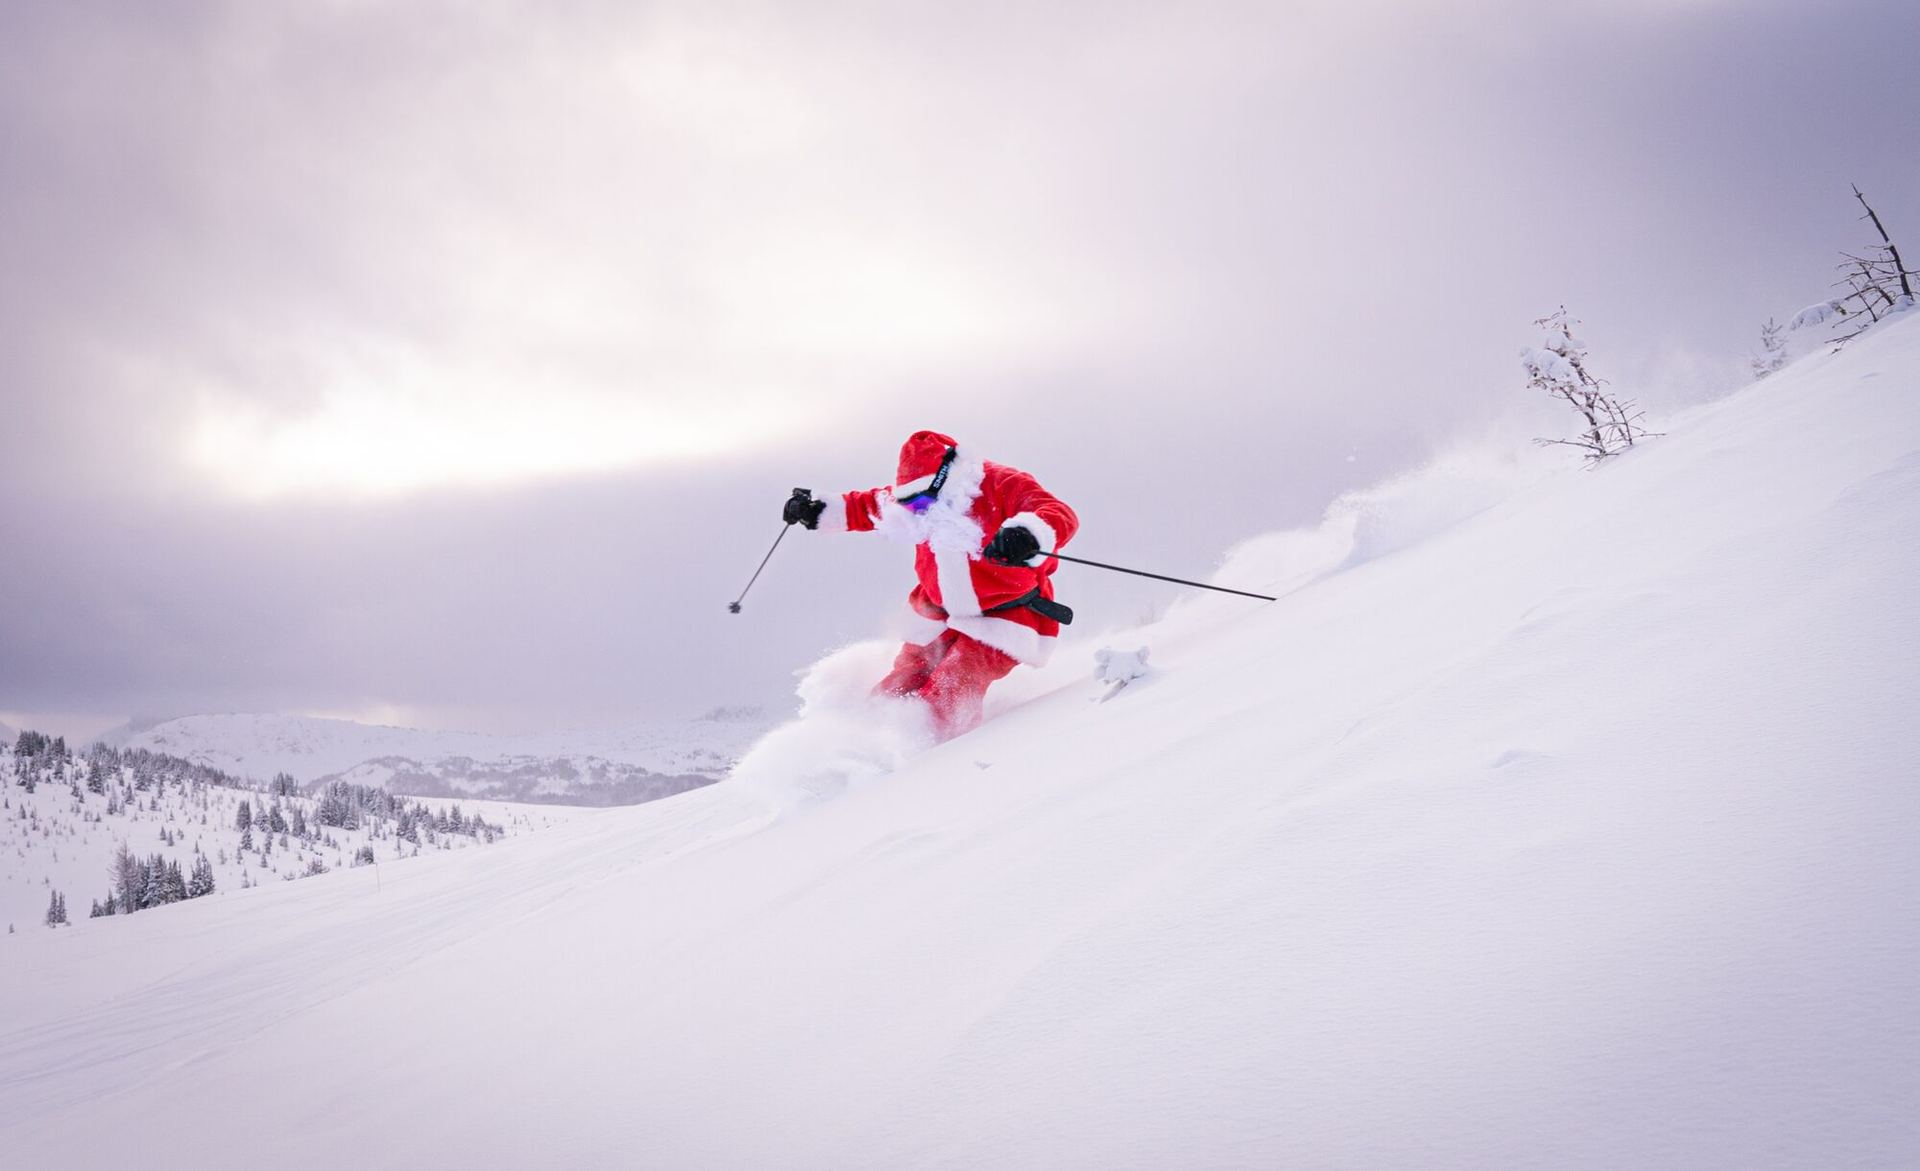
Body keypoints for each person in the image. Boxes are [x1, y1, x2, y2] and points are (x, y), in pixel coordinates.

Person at [784, 430, 1078, 739]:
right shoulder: (916, 502)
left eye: (923, 500)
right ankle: (862, 739)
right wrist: (818, 510)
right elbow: (868, 507)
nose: (918, 510)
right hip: (939, 612)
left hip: (1005, 614)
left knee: (957, 678)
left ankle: (932, 750)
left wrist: (1028, 533)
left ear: (947, 478)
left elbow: (1058, 513)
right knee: (904, 677)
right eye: (911, 504)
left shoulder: (1003, 484)